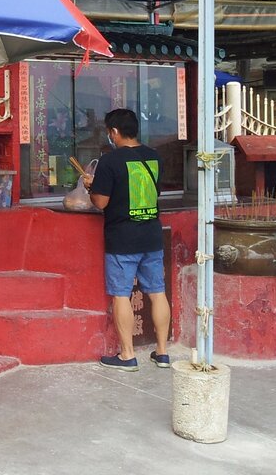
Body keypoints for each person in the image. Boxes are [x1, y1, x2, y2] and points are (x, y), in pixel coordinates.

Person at [83, 108, 170, 371]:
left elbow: (101, 202)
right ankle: (163, 353)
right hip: (152, 236)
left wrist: (91, 187)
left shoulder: (110, 161)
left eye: (110, 131)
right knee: (157, 293)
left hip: (122, 238)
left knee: (121, 294)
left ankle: (127, 355)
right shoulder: (155, 157)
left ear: (115, 132)